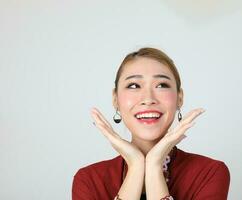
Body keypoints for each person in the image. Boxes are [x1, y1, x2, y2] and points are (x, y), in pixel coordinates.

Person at [72, 47, 230, 200]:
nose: (148, 99)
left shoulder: (210, 173)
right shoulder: (88, 180)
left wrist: (154, 165)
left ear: (179, 98)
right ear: (115, 99)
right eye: (133, 86)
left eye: (162, 85)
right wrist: (136, 165)